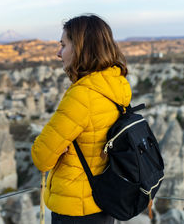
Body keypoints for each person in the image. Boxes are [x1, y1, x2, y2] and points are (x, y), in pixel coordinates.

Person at [31, 14, 131, 224]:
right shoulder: (116, 85)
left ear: (81, 49)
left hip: (76, 209)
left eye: (63, 45)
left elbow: (41, 157)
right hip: (103, 202)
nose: (59, 53)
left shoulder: (82, 95)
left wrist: (60, 148)